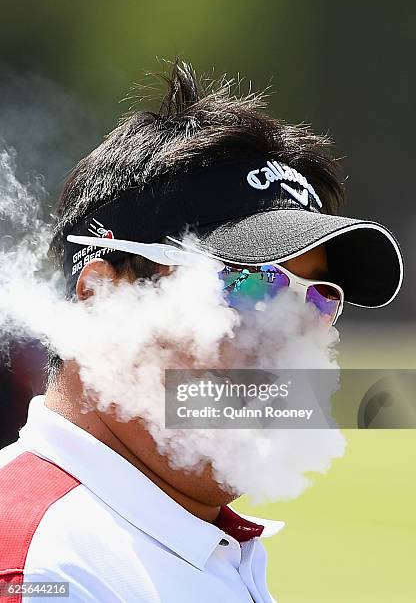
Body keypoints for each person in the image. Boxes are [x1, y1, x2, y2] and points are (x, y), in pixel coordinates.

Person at [0, 60, 403, 602]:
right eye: (249, 284)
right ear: (103, 294)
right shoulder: (44, 566)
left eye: (316, 298)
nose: (287, 337)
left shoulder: (198, 538)